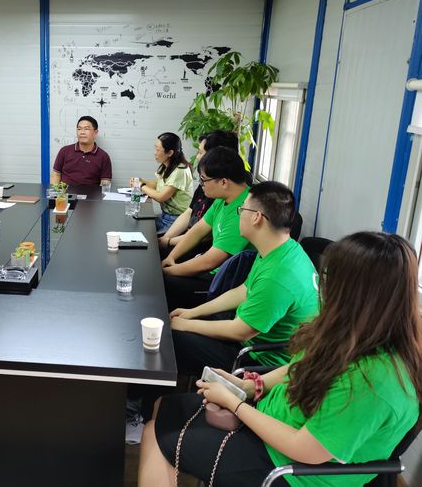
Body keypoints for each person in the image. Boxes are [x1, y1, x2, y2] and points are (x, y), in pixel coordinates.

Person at [139, 232, 421, 487]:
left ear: (356, 294)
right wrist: (249, 386)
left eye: (328, 280)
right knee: (164, 406)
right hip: (270, 423)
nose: (322, 287)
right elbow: (299, 367)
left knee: (156, 435)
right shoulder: (354, 332)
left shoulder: (374, 382)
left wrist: (236, 405)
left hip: (289, 470)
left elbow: (305, 449)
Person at [169, 181, 319, 375]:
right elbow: (243, 291)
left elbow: (240, 331)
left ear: (257, 217)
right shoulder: (281, 249)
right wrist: (192, 313)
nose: (239, 214)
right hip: (249, 336)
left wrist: (186, 325)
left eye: (242, 209)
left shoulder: (278, 276)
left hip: (258, 361)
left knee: (171, 337)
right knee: (181, 324)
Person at [162, 146, 251, 310]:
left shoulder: (245, 210)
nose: (201, 184)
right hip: (212, 271)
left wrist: (168, 271)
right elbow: (198, 230)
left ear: (223, 182)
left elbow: (209, 262)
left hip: (223, 283)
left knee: (162, 284)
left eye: (204, 180)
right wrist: (171, 257)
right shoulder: (223, 198)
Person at [158, 130, 239, 254]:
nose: (197, 157)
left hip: (200, 249)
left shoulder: (224, 194)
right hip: (186, 239)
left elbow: (204, 236)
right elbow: (189, 213)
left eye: (200, 152)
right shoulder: (207, 184)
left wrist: (169, 242)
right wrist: (166, 239)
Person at [134, 132, 193, 235]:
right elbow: (157, 185)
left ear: (170, 153)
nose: (155, 153)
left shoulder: (180, 170)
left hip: (177, 220)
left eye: (158, 150)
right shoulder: (166, 166)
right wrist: (141, 180)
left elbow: (161, 197)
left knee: (147, 235)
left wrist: (141, 186)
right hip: (165, 216)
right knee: (139, 225)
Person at [51, 115, 112, 186]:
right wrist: (56, 191)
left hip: (91, 193)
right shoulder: (64, 151)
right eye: (79, 129)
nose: (82, 132)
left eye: (86, 129)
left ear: (95, 133)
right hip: (66, 192)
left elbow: (105, 183)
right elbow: (56, 174)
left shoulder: (103, 156)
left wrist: (100, 193)